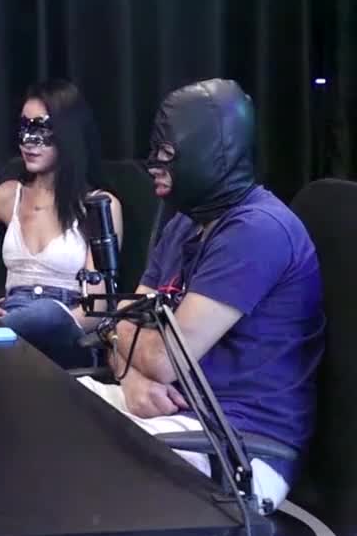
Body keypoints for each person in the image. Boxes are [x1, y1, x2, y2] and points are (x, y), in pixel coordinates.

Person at [78, 78, 325, 513]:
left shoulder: (257, 231)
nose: (153, 164)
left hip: (238, 445)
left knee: (75, 464)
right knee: (48, 414)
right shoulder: (184, 225)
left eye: (166, 153)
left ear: (212, 153)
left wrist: (129, 347)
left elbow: (163, 358)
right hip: (174, 414)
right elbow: (123, 325)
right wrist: (131, 377)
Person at [0, 79, 123, 368]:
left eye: (41, 129)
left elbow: (97, 307)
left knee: (46, 314)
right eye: (24, 127)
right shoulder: (7, 195)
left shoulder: (98, 205)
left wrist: (29, 324)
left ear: (67, 134)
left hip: (66, 326)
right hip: (10, 320)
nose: (28, 141)